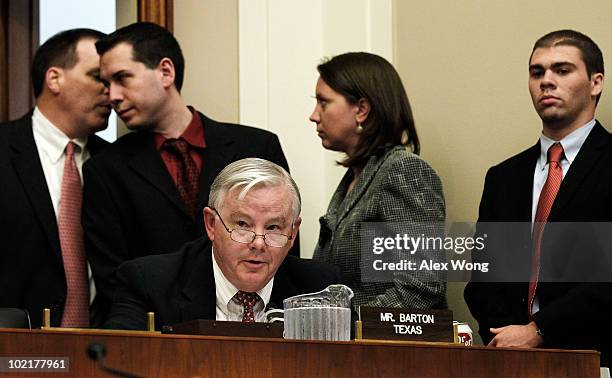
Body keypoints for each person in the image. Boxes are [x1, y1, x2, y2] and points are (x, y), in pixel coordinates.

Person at [82, 22, 294, 326]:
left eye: (122, 78)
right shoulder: (106, 168)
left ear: (166, 72)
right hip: (157, 334)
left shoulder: (257, 145)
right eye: (107, 84)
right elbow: (112, 275)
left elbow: (281, 242)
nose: (112, 95)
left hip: (252, 325)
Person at [464, 30, 612, 366]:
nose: (546, 81)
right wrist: (508, 336)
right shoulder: (503, 177)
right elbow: (483, 280)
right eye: (537, 72)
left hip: (597, 358)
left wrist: (540, 330)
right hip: (509, 361)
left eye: (562, 70)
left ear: (595, 83)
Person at [104, 158, 341, 330]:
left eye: (273, 228)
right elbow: (120, 362)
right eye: (242, 224)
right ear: (210, 224)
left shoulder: (320, 289)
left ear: (293, 232)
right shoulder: (149, 284)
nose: (258, 243)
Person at [309, 52, 447, 309]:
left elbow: (422, 286)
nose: (314, 115)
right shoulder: (356, 178)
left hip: (388, 346)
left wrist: (348, 326)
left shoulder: (404, 171)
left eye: (323, 103)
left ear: (361, 110)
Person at [0, 28, 110, 328]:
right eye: (97, 77)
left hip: (102, 352)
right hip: (13, 351)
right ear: (54, 78)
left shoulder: (116, 164)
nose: (110, 92)